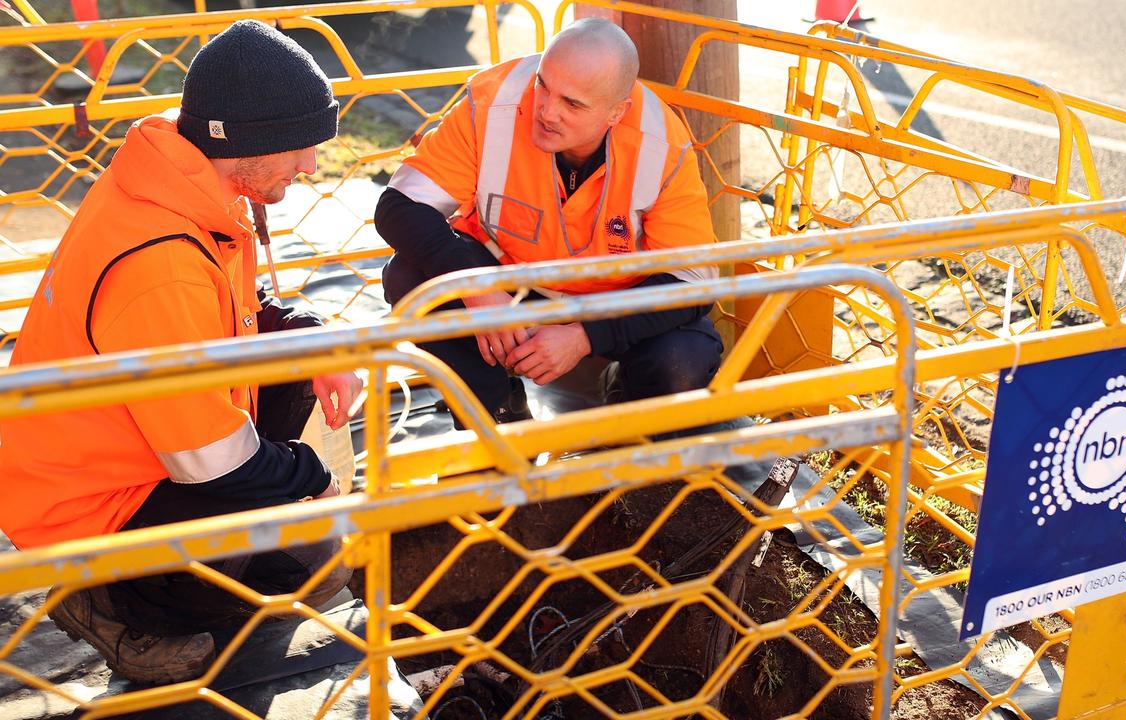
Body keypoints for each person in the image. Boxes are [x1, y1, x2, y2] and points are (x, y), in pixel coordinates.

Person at [0, 20, 362, 685]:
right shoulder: (158, 262)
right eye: (301, 145)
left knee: (295, 411)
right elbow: (209, 464)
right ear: (249, 137)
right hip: (88, 506)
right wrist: (311, 479)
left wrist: (314, 334)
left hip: (145, 445)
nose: (311, 164)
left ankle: (246, 553)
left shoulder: (193, 182)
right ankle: (99, 598)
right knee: (238, 542)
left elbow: (231, 310)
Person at [377, 17, 723, 423]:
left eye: (572, 104)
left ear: (617, 112)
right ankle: (497, 413)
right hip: (510, 285)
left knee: (683, 361)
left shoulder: (662, 144)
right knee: (408, 278)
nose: (546, 111)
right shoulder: (492, 100)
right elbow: (398, 206)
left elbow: (692, 283)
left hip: (613, 303)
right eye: (543, 83)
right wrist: (476, 288)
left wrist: (586, 335)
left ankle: (627, 421)